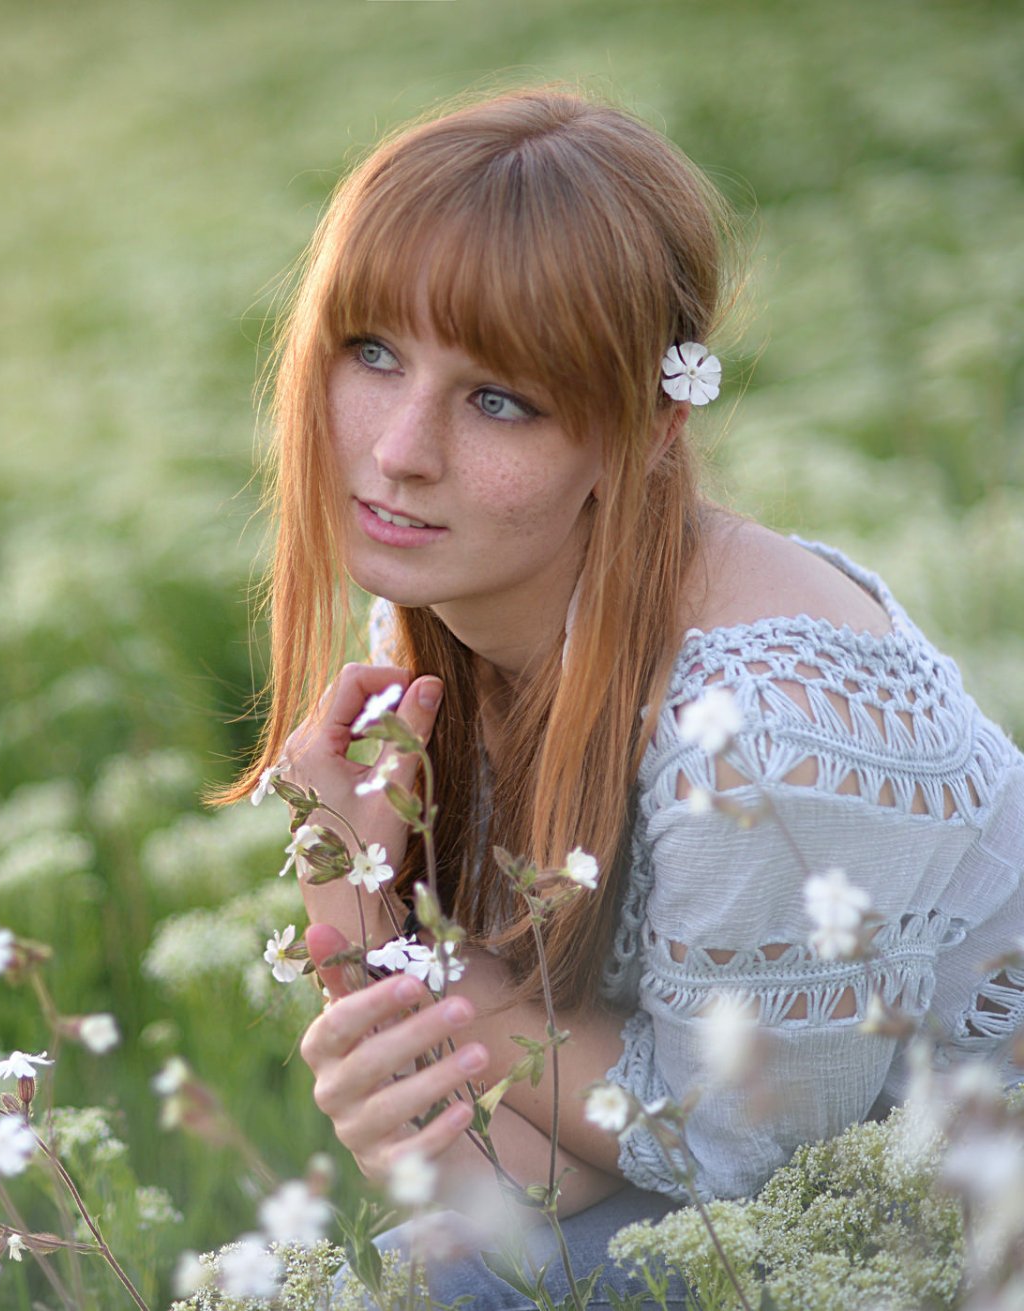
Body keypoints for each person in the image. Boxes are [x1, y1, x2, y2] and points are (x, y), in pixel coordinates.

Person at [226, 85, 1024, 1305]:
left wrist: (435, 983)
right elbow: (501, 1181)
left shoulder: (756, 727)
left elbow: (752, 1170)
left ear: (649, 425)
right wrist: (361, 904)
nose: (399, 448)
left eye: (501, 398)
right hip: (784, 1202)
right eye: (373, 353)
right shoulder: (460, 613)